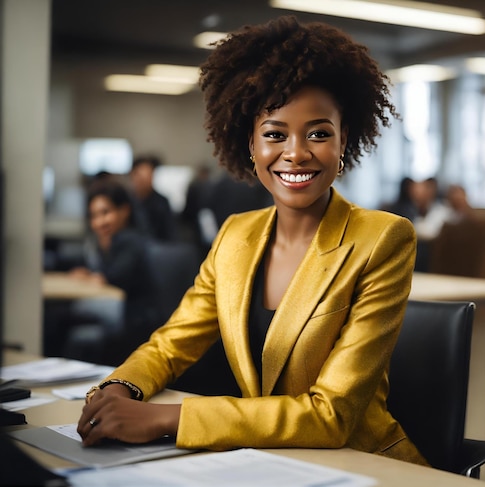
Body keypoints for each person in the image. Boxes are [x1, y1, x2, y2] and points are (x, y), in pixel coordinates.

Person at [77, 15, 426, 466]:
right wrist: (117, 389)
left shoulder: (383, 239)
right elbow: (170, 345)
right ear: (251, 146)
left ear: (345, 142)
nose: (296, 152)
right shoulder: (235, 235)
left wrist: (168, 419)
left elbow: (332, 414)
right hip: (267, 460)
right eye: (275, 134)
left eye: (319, 133)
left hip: (361, 464)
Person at [46, 179, 160, 363]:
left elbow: (112, 277)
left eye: (105, 213)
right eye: (93, 216)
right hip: (115, 311)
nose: (99, 222)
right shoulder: (99, 243)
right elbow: (91, 271)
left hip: (132, 318)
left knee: (59, 318)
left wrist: (95, 276)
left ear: (124, 210)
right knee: (60, 317)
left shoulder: (131, 241)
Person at [129, 155, 178, 242]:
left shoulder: (162, 202)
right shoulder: (127, 202)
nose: (145, 181)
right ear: (133, 176)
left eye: (149, 176)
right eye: (141, 178)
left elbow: (170, 233)